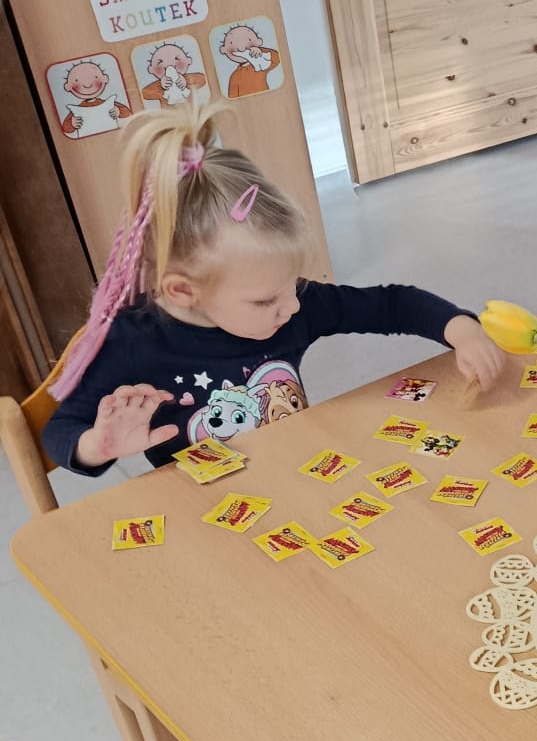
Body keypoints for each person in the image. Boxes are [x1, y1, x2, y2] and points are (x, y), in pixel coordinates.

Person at [43, 104, 503, 474]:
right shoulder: (132, 342)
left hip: (298, 475)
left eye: (292, 286)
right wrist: (97, 445)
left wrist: (461, 330)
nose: (293, 306)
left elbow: (392, 304)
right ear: (183, 291)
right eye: (266, 299)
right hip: (204, 512)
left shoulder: (292, 303)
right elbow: (60, 430)